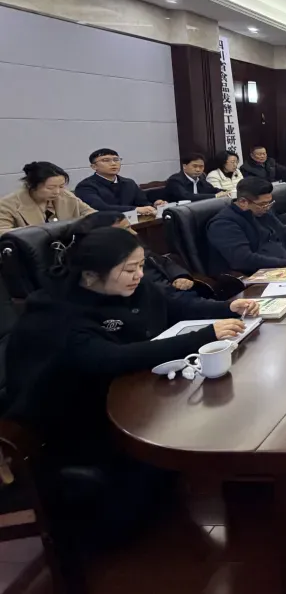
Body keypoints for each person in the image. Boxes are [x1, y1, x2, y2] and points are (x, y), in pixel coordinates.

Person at [4, 228, 257, 541]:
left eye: (141, 265)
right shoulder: (55, 313)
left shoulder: (128, 286)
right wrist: (205, 335)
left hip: (123, 388)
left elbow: (173, 304)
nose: (139, 275)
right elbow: (111, 358)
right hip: (75, 417)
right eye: (129, 269)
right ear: (91, 274)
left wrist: (225, 309)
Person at [70, 211, 203, 297]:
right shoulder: (108, 265)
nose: (134, 233)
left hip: (177, 292)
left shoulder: (136, 247)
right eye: (126, 229)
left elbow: (164, 261)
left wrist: (180, 276)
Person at [206, 177, 286, 275]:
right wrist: (285, 262)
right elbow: (243, 260)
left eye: (269, 203)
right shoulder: (223, 224)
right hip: (255, 275)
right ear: (243, 202)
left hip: (285, 267)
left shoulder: (262, 212)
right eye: (262, 204)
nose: (267, 207)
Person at [0, 161, 94, 233]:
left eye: (61, 186)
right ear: (31, 185)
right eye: (50, 188)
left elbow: (92, 215)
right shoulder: (8, 204)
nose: (57, 192)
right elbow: (2, 231)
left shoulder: (66, 196)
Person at [74, 149, 165, 215]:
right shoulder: (85, 186)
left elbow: (142, 203)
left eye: (116, 159)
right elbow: (100, 208)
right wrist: (135, 209)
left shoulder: (129, 183)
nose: (113, 163)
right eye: (106, 160)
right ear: (94, 167)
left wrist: (154, 205)